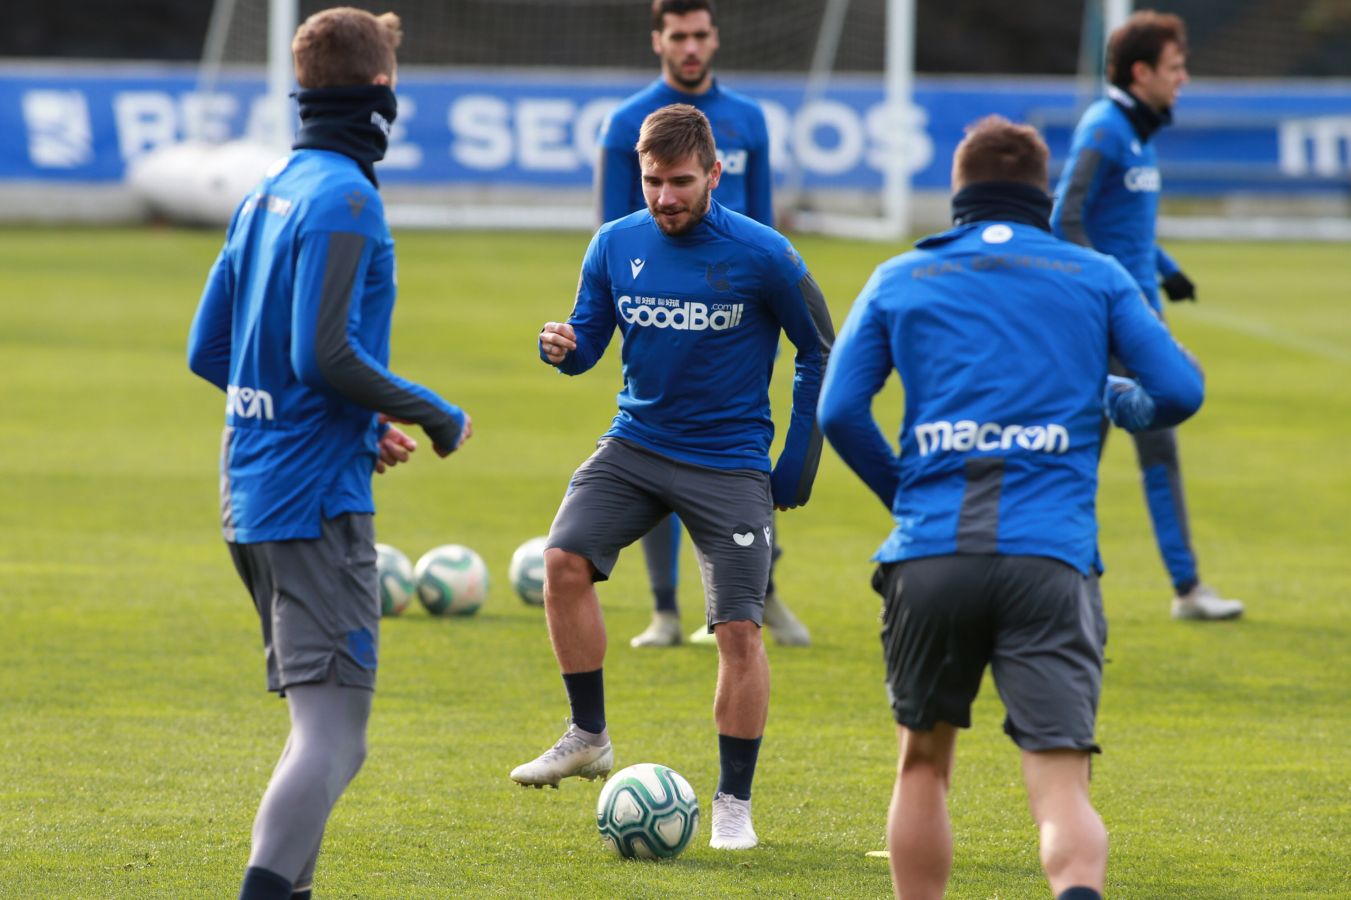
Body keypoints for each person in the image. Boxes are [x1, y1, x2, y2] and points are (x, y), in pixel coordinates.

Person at [818, 116, 1205, 899]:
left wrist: (908, 497)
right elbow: (1179, 390)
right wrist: (1113, 402)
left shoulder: (900, 277)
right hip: (1049, 559)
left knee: (922, 762)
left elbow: (838, 411)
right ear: (1041, 194)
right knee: (1060, 786)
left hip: (928, 557)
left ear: (958, 194)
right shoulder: (1095, 276)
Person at [186, 9, 471, 899]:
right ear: (380, 92)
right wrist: (431, 412)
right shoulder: (347, 198)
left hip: (249, 492)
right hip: (312, 505)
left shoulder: (268, 189)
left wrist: (352, 422)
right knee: (334, 738)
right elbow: (325, 355)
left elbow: (211, 350)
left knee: (326, 731)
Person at [512, 104, 834, 852]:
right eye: (653, 181)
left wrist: (798, 456)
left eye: (681, 182)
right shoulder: (614, 243)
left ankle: (731, 803)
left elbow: (818, 347)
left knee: (739, 630)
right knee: (561, 563)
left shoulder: (766, 254)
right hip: (636, 443)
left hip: (727, 461)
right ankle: (587, 735)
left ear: (714, 176)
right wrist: (562, 346)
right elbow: (591, 338)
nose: (664, 198)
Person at [596, 0, 811, 649]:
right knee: (653, 437)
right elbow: (613, 225)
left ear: (714, 38)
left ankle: (761, 593)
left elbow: (767, 220)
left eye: (699, 34)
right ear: (658, 40)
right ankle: (663, 609)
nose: (690, 46)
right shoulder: (626, 122)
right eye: (677, 36)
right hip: (663, 303)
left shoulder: (747, 120)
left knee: (741, 444)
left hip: (740, 312)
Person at [1052, 9, 1242, 621]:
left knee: (1150, 448)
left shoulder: (1137, 130)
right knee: (1084, 452)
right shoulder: (1105, 129)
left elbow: (1122, 220)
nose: (1183, 77)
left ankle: (1183, 588)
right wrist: (1109, 290)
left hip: (1139, 317)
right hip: (1110, 322)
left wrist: (1164, 266)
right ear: (1141, 72)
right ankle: (1071, 583)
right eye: (1175, 67)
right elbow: (1066, 218)